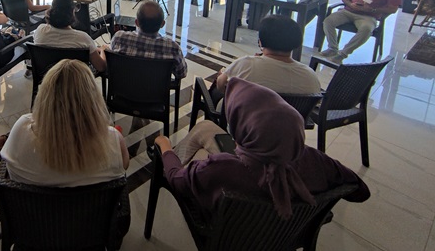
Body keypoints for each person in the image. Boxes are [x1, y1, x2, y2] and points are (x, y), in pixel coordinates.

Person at [154, 77, 370, 219]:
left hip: (228, 232)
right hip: (286, 235)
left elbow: (177, 179)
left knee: (198, 143)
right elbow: (360, 191)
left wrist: (166, 148)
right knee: (206, 130)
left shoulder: (222, 168)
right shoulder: (316, 161)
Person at [1, 59, 129, 187]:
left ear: (45, 96)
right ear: (94, 100)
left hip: (29, 206)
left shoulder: (21, 129)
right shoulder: (114, 141)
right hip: (89, 206)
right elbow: (124, 167)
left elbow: (10, 170)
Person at [216, 15, 320, 94]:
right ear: (297, 42)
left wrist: (223, 73)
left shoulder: (246, 65)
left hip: (247, 120)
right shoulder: (310, 76)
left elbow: (220, 85)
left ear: (260, 41)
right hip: (291, 122)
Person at [320, 0, 401, 64]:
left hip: (368, 16)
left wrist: (373, 9)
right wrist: (351, 4)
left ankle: (342, 54)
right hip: (349, 11)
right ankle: (332, 48)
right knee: (328, 21)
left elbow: (393, 9)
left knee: (366, 29)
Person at [110, 0, 187, 79]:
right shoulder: (173, 48)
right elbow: (181, 74)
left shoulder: (119, 38)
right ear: (162, 24)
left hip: (122, 90)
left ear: (136, 23)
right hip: (157, 91)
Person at [33, 0, 107, 72]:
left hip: (48, 79)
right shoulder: (83, 38)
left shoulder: (40, 30)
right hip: (75, 81)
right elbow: (101, 67)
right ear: (72, 12)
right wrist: (103, 50)